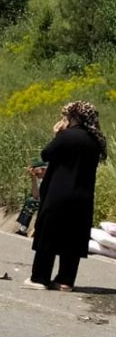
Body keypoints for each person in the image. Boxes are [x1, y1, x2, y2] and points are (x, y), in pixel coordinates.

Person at [24, 101, 108, 292]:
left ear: (75, 117)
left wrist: (58, 135)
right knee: (73, 236)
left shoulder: (67, 136)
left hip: (58, 193)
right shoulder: (95, 140)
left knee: (48, 233)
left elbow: (46, 154)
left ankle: (40, 277)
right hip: (83, 195)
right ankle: (65, 280)